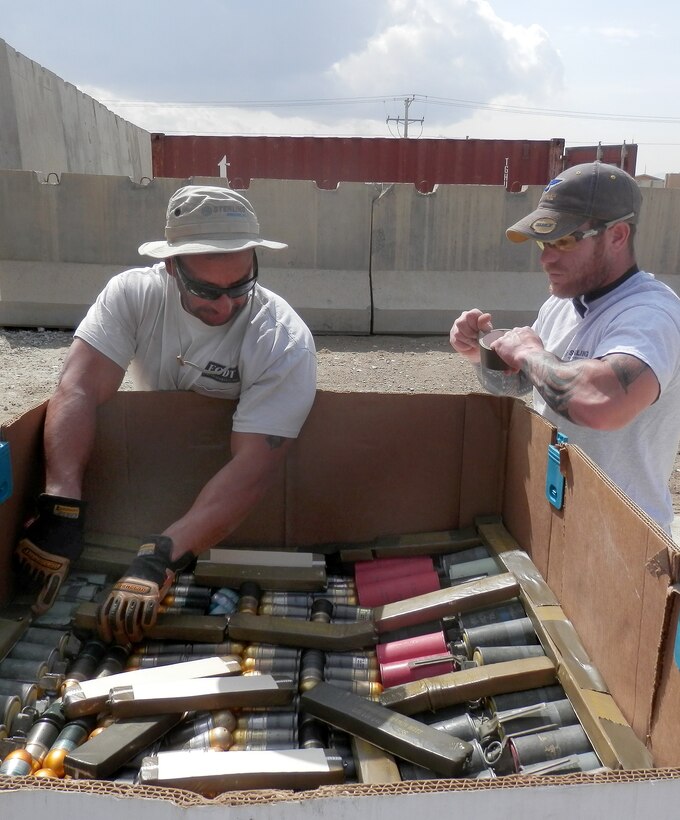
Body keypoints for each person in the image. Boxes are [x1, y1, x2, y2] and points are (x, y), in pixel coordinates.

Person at [16, 185, 317, 643]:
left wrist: (162, 556)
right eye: (206, 290)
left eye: (240, 287)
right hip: (151, 477)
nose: (224, 306)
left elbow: (255, 465)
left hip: (228, 500)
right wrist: (61, 502)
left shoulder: (280, 338)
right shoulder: (134, 295)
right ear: (172, 266)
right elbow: (79, 386)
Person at [450, 161, 680, 533]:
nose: (545, 258)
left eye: (564, 240)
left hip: (624, 541)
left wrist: (528, 352)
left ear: (618, 236)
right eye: (544, 241)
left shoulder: (650, 315)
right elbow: (523, 385)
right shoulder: (563, 302)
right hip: (564, 522)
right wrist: (481, 356)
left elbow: (606, 403)